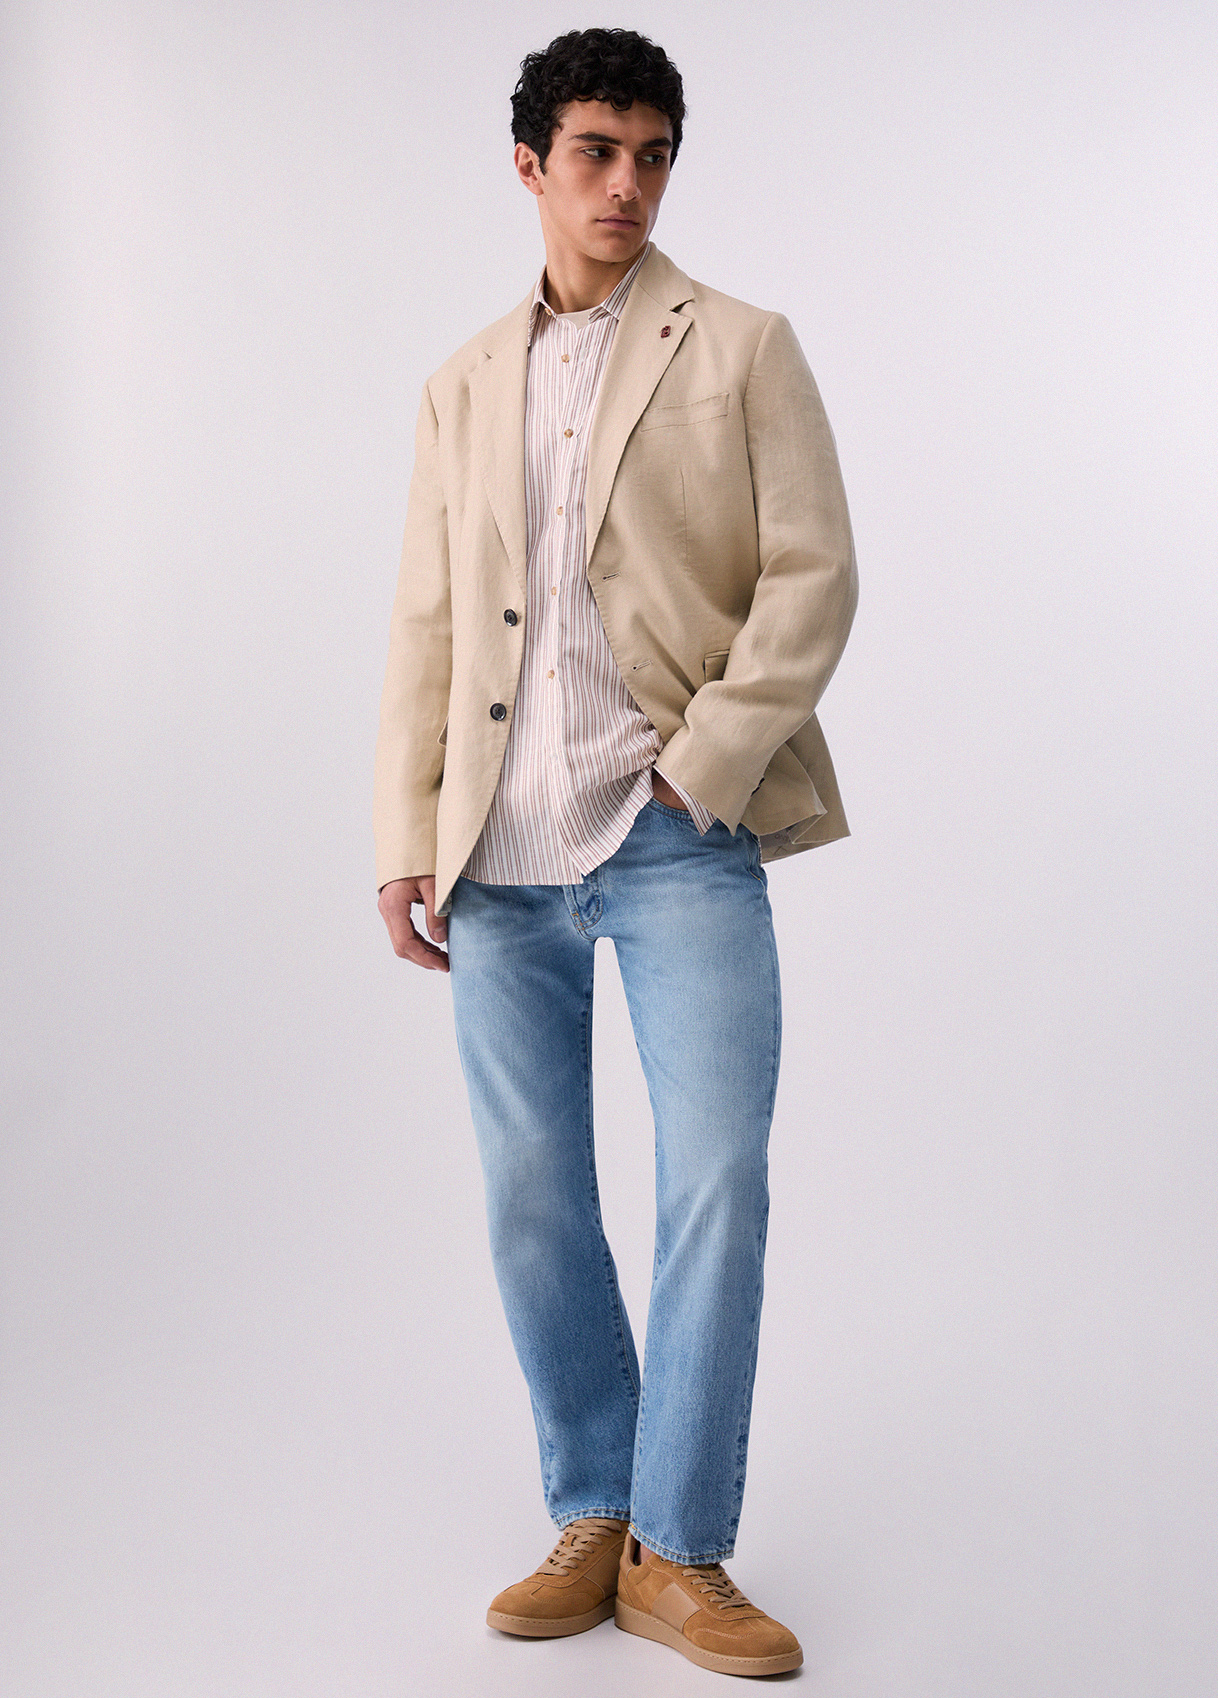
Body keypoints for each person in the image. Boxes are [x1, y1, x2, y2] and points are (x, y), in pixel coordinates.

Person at [373, 26, 857, 1679]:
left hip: (674, 841)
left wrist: (699, 774)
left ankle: (678, 1543)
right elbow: (427, 619)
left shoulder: (742, 347)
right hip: (497, 854)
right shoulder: (459, 384)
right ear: (530, 165)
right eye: (594, 151)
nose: (626, 184)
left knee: (716, 1176)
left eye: (651, 154)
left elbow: (812, 578)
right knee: (533, 1197)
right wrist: (406, 829)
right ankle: (592, 1503)